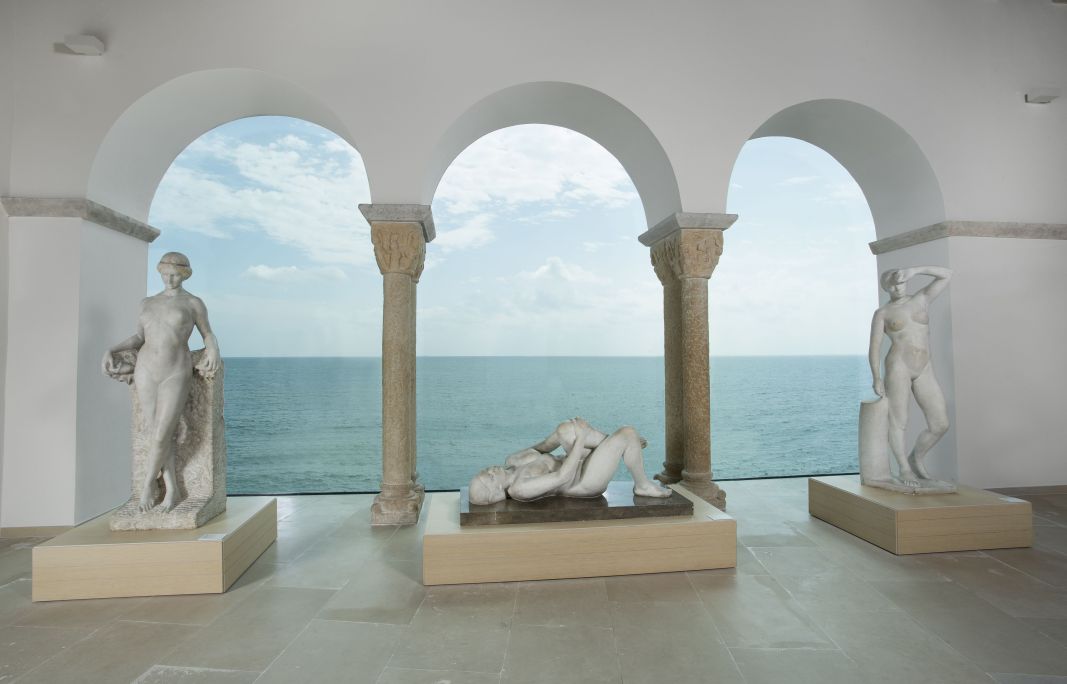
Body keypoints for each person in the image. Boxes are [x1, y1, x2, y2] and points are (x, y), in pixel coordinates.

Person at [102, 252, 220, 513]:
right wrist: (112, 349)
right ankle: (172, 487)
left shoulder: (193, 303)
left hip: (175, 371)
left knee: (161, 434)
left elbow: (207, 333)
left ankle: (147, 485)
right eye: (166, 274)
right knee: (157, 432)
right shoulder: (147, 303)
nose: (170, 279)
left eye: (175, 274)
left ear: (185, 275)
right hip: (145, 370)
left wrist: (213, 349)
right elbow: (138, 338)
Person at [868, 266, 952, 487]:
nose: (898, 288)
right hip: (899, 366)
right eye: (893, 285)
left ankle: (915, 458)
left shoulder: (921, 298)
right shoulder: (883, 313)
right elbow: (874, 348)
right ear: (886, 288)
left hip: (924, 367)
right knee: (898, 421)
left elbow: (947, 275)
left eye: (901, 282)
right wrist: (876, 377)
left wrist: (915, 270)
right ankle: (904, 468)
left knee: (940, 424)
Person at [467, 417, 672, 505]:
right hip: (581, 481)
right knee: (627, 432)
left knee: (565, 428)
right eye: (489, 477)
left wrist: (565, 432)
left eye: (485, 471)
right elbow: (562, 476)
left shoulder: (512, 461)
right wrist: (581, 437)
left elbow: (544, 447)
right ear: (496, 493)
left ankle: (622, 444)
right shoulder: (519, 488)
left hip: (574, 461)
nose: (490, 470)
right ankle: (642, 484)